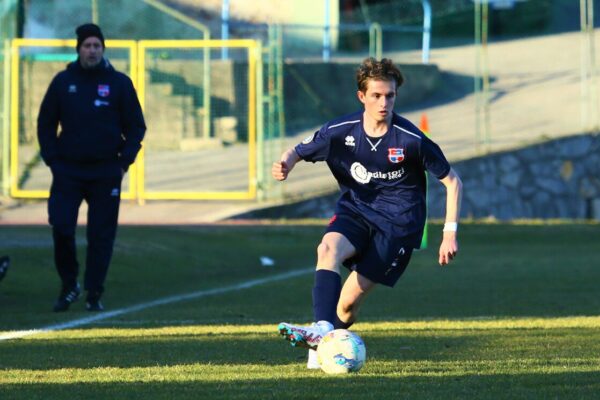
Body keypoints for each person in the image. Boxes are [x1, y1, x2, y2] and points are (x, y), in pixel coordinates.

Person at [272, 58, 463, 369]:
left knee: (346, 307)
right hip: (356, 211)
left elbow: (453, 181)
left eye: (390, 95)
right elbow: (297, 150)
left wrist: (449, 233)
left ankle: (325, 334)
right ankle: (321, 330)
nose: (384, 102)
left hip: (398, 227)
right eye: (376, 95)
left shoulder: (411, 139)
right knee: (327, 248)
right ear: (362, 96)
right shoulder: (339, 131)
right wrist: (284, 165)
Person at [37, 23, 146, 312]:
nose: (92, 50)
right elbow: (45, 123)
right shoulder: (63, 82)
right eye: (87, 45)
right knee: (61, 227)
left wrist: (124, 162)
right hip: (68, 172)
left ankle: (94, 291)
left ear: (103, 49)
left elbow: (136, 126)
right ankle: (69, 284)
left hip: (105, 172)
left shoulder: (119, 83)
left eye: (97, 45)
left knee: (101, 236)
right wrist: (53, 159)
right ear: (79, 49)